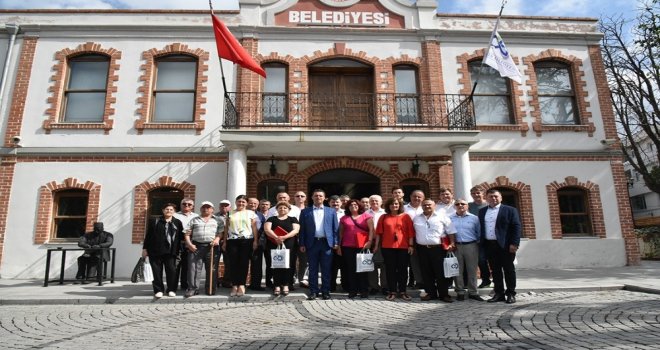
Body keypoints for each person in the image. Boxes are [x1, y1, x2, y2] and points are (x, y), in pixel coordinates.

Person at [479, 189, 522, 304]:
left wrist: (514, 244)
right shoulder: (482, 211)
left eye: (496, 196)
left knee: (508, 270)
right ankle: (499, 294)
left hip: (506, 246)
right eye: (491, 196)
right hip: (489, 245)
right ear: (486, 198)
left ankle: (511, 293)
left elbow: (516, 227)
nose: (493, 198)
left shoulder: (510, 210)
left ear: (501, 198)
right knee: (495, 271)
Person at [413, 199, 456, 303]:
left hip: (438, 249)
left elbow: (451, 231)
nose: (427, 206)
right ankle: (430, 293)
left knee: (440, 272)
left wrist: (452, 243)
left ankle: (444, 294)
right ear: (421, 206)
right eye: (424, 205)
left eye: (429, 205)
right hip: (422, 249)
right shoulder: (416, 218)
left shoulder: (442, 216)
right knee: (426, 272)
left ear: (434, 205)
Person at [298, 189, 339, 300]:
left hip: (326, 243)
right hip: (312, 243)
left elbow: (335, 229)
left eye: (320, 196)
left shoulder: (331, 211)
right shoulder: (305, 212)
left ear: (324, 198)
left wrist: (336, 242)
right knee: (312, 269)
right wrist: (302, 243)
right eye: (316, 196)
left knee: (326, 269)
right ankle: (313, 291)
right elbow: (302, 230)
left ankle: (325, 291)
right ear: (312, 197)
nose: (318, 197)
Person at [375, 198, 415, 301]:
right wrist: (376, 246)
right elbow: (379, 233)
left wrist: (411, 245)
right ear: (388, 206)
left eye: (396, 204)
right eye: (392, 204)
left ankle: (402, 291)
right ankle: (392, 291)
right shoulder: (383, 217)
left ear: (400, 205)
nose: (394, 205)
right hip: (387, 247)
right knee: (390, 270)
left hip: (403, 247)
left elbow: (411, 232)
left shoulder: (406, 217)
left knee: (403, 270)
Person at [142, 203, 184, 298]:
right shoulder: (155, 221)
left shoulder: (177, 222)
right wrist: (145, 249)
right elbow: (148, 236)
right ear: (163, 210)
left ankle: (171, 289)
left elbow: (181, 237)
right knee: (156, 272)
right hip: (155, 251)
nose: (169, 211)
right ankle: (158, 290)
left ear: (174, 211)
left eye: (171, 209)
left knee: (172, 272)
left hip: (171, 252)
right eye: (167, 209)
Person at [184, 201, 223, 298]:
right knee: (194, 268)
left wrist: (217, 239)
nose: (206, 209)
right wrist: (189, 244)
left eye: (208, 207)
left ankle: (210, 288)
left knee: (212, 269)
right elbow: (187, 233)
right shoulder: (194, 220)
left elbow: (220, 232)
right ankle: (193, 289)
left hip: (212, 247)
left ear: (212, 209)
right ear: (200, 209)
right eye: (204, 207)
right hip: (196, 247)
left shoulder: (218, 220)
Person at [222, 195, 259, 297]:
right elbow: (226, 229)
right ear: (235, 202)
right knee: (233, 263)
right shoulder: (230, 213)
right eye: (239, 201)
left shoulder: (251, 213)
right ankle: (234, 285)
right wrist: (224, 242)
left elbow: (254, 227)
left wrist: (255, 241)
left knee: (244, 262)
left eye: (243, 202)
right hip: (232, 241)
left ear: (246, 203)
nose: (241, 203)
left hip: (247, 241)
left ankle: (242, 285)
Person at [449, 199, 484, 301]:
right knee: (457, 270)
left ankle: (473, 292)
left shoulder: (474, 218)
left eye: (463, 204)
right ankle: (460, 291)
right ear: (454, 206)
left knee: (472, 270)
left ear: (467, 206)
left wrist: (476, 243)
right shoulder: (450, 218)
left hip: (471, 245)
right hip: (456, 246)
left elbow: (479, 232)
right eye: (457, 204)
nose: (460, 205)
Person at [338, 199, 374, 298]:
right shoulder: (344, 218)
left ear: (359, 206)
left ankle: (364, 290)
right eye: (351, 205)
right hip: (348, 246)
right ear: (348, 207)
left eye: (355, 204)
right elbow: (341, 233)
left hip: (363, 246)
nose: (353, 206)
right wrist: (339, 246)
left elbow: (371, 230)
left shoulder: (366, 216)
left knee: (363, 269)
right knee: (351, 269)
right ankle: (352, 290)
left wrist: (370, 241)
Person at [264, 201, 300, 296]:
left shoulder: (293, 219)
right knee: (276, 265)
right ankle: (276, 285)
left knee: (288, 265)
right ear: (276, 209)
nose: (282, 209)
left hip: (289, 244)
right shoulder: (271, 218)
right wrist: (277, 237)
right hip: (274, 243)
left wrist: (284, 237)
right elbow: (267, 229)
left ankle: (286, 285)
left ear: (289, 209)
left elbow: (296, 230)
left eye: (285, 208)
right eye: (280, 208)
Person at [173, 198, 198, 292]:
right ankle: (173, 286)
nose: (186, 206)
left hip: (191, 243)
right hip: (178, 243)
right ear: (181, 205)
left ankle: (185, 285)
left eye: (189, 204)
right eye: (184, 204)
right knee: (175, 265)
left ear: (192, 206)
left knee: (188, 265)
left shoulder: (196, 216)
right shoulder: (174, 215)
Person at [468, 186, 490, 288]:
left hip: (490, 236)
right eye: (473, 193)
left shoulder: (489, 205)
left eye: (478, 193)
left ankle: (498, 280)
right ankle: (486, 280)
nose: (476, 195)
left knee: (494, 260)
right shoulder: (469, 206)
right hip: (475, 237)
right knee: (481, 260)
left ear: (482, 193)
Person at [366, 194, 387, 295]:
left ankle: (385, 286)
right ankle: (373, 286)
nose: (374, 202)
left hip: (384, 241)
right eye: (372, 201)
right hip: (370, 241)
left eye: (376, 201)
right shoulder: (365, 213)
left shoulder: (386, 213)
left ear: (381, 202)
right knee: (371, 264)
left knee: (384, 265)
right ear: (369, 203)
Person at [404, 190, 425, 288]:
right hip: (407, 238)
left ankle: (426, 280)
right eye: (414, 196)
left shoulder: (426, 207)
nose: (416, 198)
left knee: (424, 261)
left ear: (423, 198)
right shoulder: (404, 208)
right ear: (410, 197)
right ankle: (418, 281)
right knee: (413, 261)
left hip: (423, 238)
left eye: (419, 197)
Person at [247, 197, 267, 291]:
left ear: (258, 205)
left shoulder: (260, 215)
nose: (253, 205)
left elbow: (263, 229)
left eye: (255, 203)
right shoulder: (242, 214)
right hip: (244, 241)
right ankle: (241, 283)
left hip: (257, 242)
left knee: (257, 265)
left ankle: (255, 285)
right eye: (251, 203)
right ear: (247, 203)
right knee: (243, 264)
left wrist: (259, 241)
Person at [292, 191, 309, 288]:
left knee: (304, 260)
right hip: (291, 238)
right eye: (297, 196)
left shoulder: (309, 210)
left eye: (302, 196)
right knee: (292, 259)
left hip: (305, 238)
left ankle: (303, 279)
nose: (300, 197)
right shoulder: (289, 209)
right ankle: (293, 278)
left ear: (305, 198)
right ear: (294, 198)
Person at [328, 194, 344, 292]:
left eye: (337, 202)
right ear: (329, 203)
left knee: (343, 265)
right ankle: (331, 285)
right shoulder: (326, 213)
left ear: (341, 203)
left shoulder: (346, 213)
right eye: (333, 202)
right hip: (329, 243)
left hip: (344, 242)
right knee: (331, 266)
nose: (335, 204)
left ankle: (345, 284)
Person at [256, 199, 273, 288]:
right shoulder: (255, 215)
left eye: (266, 204)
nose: (264, 206)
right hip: (258, 241)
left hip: (270, 242)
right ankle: (257, 283)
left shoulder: (273, 215)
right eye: (262, 204)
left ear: (269, 206)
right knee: (257, 263)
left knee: (270, 262)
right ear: (259, 205)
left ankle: (268, 282)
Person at [216, 199, 232, 288]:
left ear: (230, 207)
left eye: (226, 205)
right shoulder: (214, 216)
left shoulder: (233, 216)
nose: (224, 207)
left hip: (229, 242)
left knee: (228, 262)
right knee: (215, 262)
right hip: (217, 241)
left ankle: (227, 281)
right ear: (219, 207)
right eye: (222, 205)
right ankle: (215, 280)